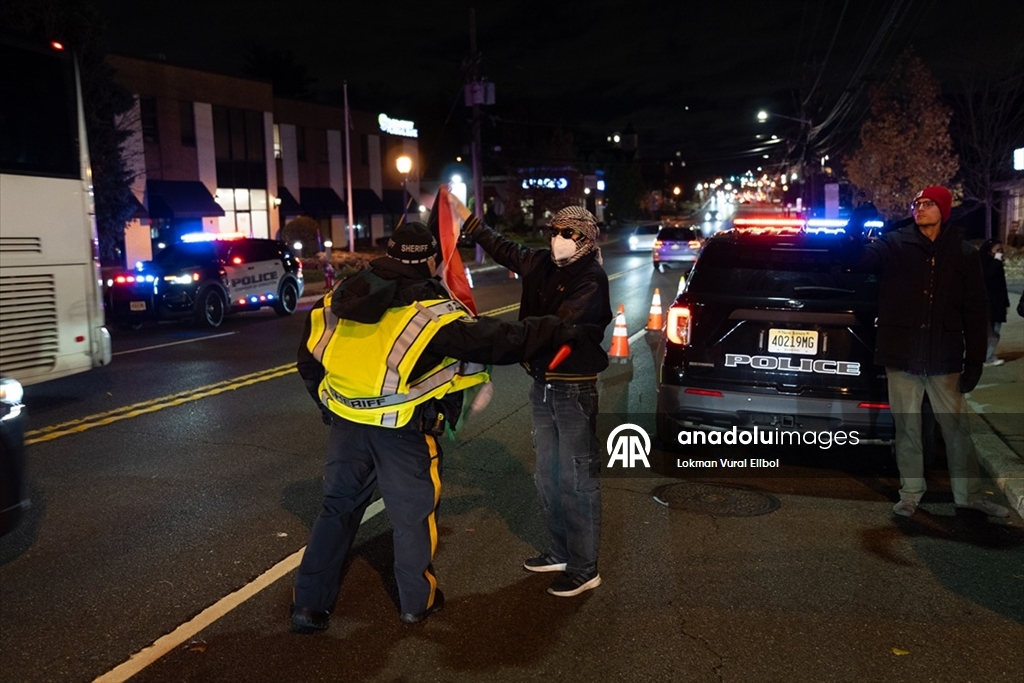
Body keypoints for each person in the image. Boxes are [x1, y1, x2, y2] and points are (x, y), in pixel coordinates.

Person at [290, 221, 599, 632]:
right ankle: (417, 604)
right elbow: (498, 341)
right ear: (430, 259)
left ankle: (308, 608)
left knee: (336, 511)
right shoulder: (427, 313)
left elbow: (309, 362)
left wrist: (331, 408)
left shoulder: (340, 298)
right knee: (411, 519)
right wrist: (559, 327)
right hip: (401, 429)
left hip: (347, 425)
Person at [462, 205, 612, 597]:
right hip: (543, 385)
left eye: (565, 232)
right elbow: (506, 249)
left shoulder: (591, 280)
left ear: (583, 238)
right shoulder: (541, 263)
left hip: (574, 388)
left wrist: (494, 339)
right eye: (552, 230)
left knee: (577, 477)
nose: (555, 238)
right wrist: (472, 225)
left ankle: (584, 567)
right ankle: (561, 551)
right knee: (548, 474)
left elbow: (554, 327)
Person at [858, 186, 1009, 519]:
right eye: (917, 204)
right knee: (908, 429)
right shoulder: (895, 244)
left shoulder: (963, 254)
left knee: (957, 430)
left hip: (944, 358)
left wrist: (975, 360)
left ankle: (968, 496)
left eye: (928, 204)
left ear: (943, 209)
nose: (920, 208)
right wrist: (854, 235)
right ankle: (910, 493)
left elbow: (975, 309)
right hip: (903, 356)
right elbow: (861, 261)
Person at [979, 238, 1009, 366]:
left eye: (1001, 250)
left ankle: (987, 355)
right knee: (991, 333)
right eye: (997, 249)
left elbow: (1002, 285)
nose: (1000, 252)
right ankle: (987, 357)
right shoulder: (984, 261)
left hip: (997, 303)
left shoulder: (995, 262)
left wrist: (1006, 303)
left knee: (993, 331)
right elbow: (987, 276)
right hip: (988, 302)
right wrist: (996, 260)